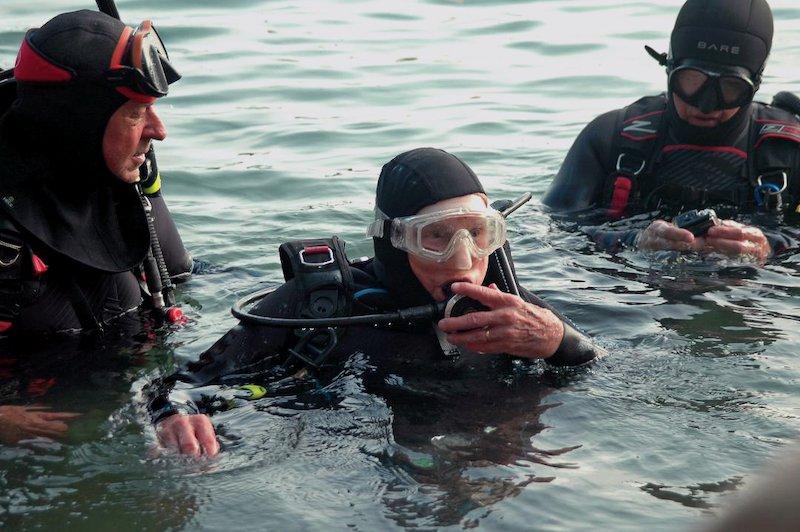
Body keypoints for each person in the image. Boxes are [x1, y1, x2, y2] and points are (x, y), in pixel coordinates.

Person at [148, 147, 603, 457]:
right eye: (436, 237)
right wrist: (177, 415)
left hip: (493, 457)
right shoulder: (323, 304)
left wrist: (557, 338)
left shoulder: (514, 310)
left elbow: (599, 369)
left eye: (479, 234)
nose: (463, 260)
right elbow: (180, 384)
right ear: (395, 241)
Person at [542, 0, 800, 262]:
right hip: (635, 293)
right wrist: (633, 240)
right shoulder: (609, 138)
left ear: (755, 85)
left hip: (750, 296)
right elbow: (556, 231)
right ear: (669, 69)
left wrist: (770, 247)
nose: (705, 104)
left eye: (730, 89)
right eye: (692, 82)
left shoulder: (790, 151)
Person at [0, 10, 191, 335]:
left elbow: (183, 279)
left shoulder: (120, 173)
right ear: (79, 124)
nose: (158, 131)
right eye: (136, 112)